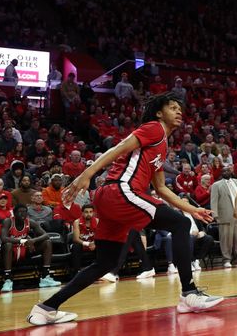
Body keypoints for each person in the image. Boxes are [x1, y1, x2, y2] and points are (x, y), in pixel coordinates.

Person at [27, 92, 223, 326]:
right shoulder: (155, 128)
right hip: (121, 192)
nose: (179, 111)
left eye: (179, 108)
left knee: (106, 263)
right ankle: (189, 293)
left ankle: (46, 307)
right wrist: (86, 174)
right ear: (160, 113)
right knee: (179, 224)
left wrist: (193, 209)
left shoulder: (162, 144)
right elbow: (118, 148)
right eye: (172, 107)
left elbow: (160, 188)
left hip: (111, 199)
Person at [0, 203, 60, 292]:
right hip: (9, 252)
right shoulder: (8, 221)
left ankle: (45, 277)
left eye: (24, 212)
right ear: (14, 213)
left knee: (47, 242)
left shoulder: (30, 222)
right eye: (20, 212)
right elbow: (4, 238)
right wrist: (22, 241)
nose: (22, 214)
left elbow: (46, 235)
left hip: (24, 250)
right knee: (8, 245)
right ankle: (8, 279)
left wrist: (33, 240)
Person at [210, 168, 237, 268]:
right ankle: (226, 260)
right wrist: (215, 215)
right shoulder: (216, 185)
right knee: (226, 240)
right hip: (224, 215)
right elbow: (214, 200)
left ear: (231, 172)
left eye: (227, 171)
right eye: (223, 171)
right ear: (221, 173)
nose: (226, 173)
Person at [71, 204, 98, 273]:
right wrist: (88, 244)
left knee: (103, 245)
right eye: (86, 212)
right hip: (82, 244)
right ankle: (77, 271)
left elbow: (100, 236)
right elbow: (76, 239)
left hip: (94, 244)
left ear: (93, 213)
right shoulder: (77, 222)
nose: (89, 214)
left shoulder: (97, 221)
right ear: (82, 213)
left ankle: (101, 271)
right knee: (75, 246)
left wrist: (94, 243)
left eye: (90, 212)